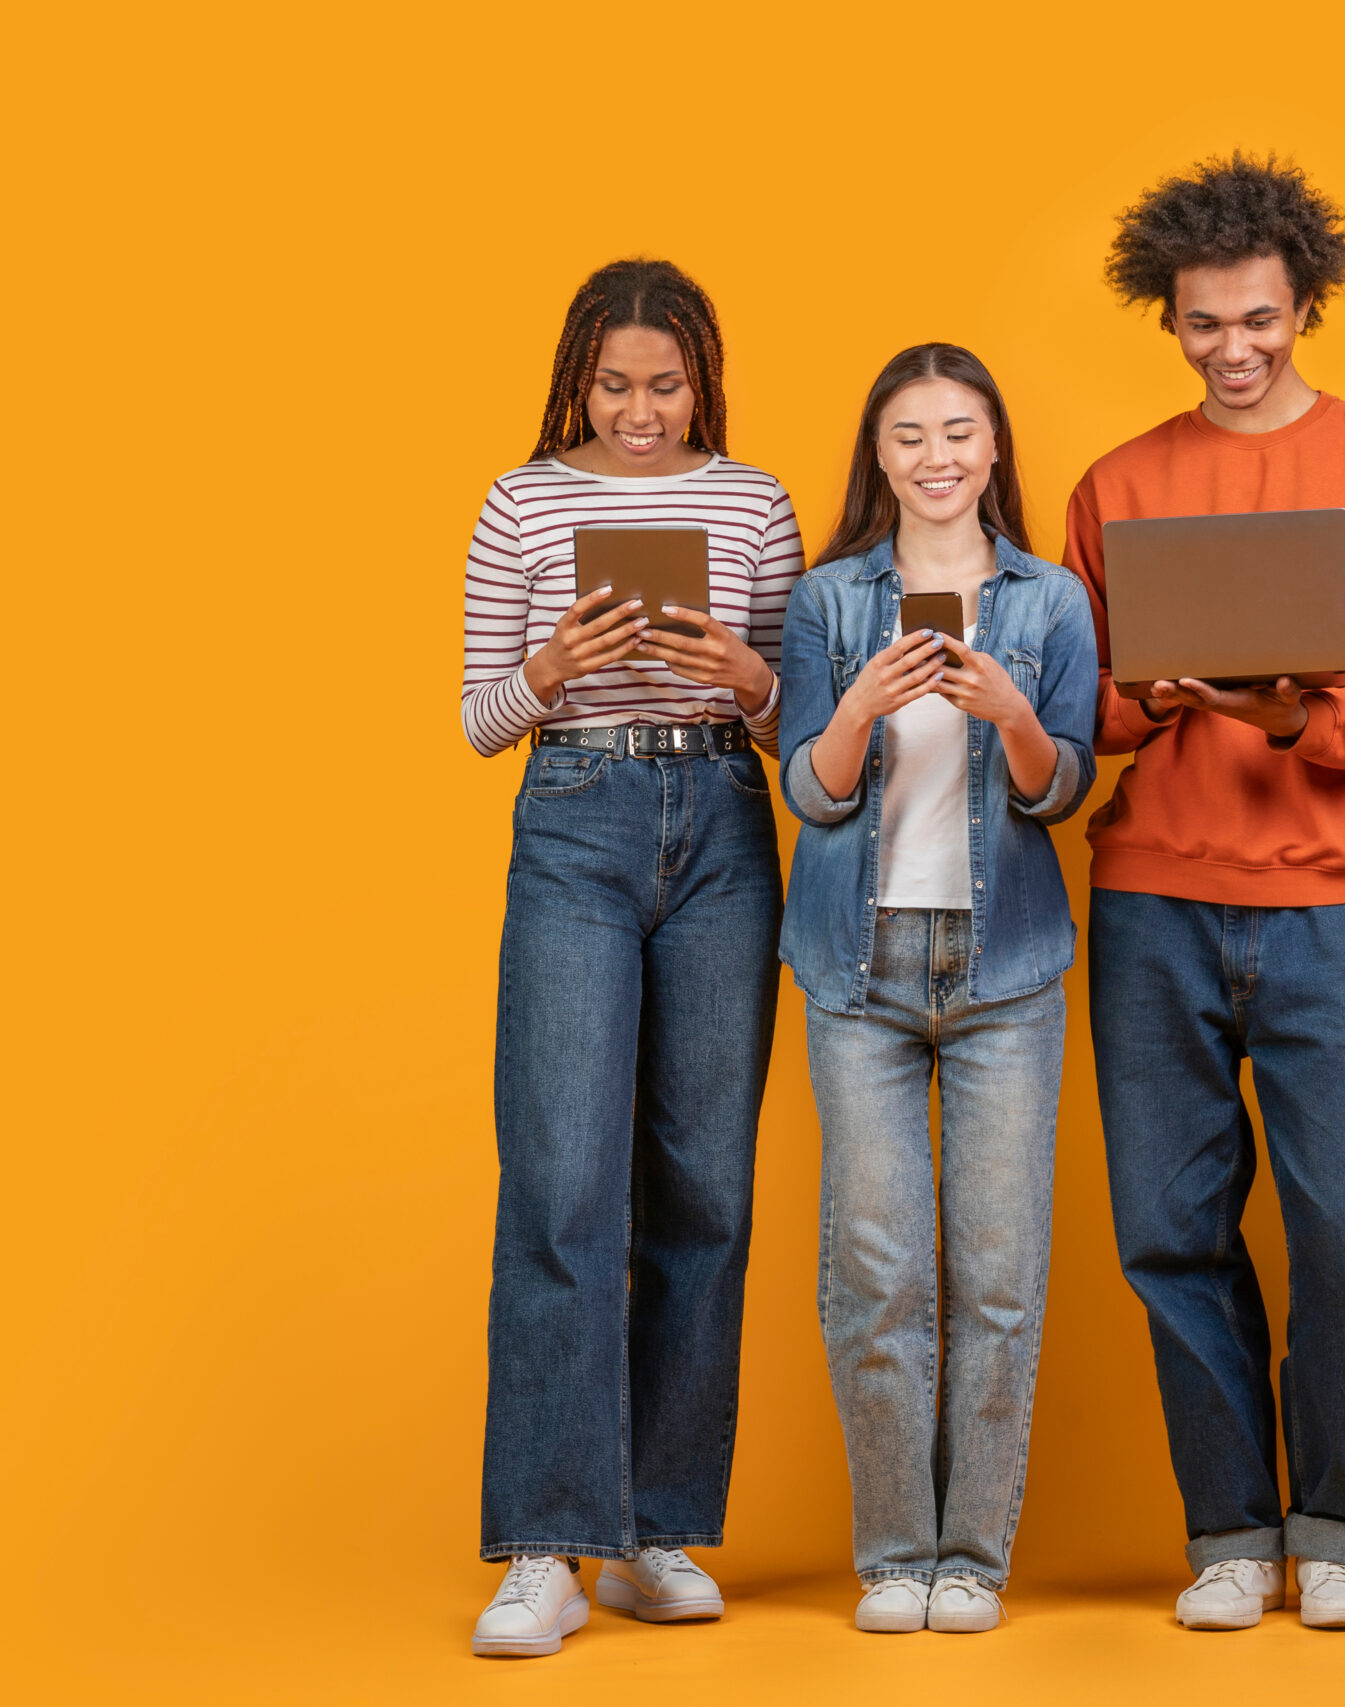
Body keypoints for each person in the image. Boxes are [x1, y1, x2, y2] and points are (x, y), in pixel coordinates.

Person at [1062, 152, 1345, 1631]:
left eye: (1261, 321)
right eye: (1206, 324)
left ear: (1307, 308)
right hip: (1153, 897)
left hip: (1327, 903)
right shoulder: (1118, 484)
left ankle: (1338, 1526)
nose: (1235, 349)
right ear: (1169, 318)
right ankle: (1230, 1526)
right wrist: (1150, 698)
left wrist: (1291, 713)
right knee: (1170, 1228)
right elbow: (1079, 708)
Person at [458, 258, 803, 1658]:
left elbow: (810, 732)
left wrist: (755, 682)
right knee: (559, 1181)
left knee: (704, 1186)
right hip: (578, 814)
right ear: (576, 379)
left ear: (702, 381)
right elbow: (482, 717)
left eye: (667, 385)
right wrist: (550, 667)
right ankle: (548, 1538)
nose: (643, 411)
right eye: (616, 385)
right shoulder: (524, 500)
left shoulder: (757, 500)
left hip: (723, 816)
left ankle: (655, 1528)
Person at [777, 344, 1097, 1636]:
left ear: (995, 446)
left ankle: (971, 1555)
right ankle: (893, 1553)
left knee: (1002, 1274)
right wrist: (859, 704)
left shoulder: (1052, 601)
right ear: (881, 456)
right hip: (857, 969)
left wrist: (1012, 713)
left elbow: (1062, 788)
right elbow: (808, 788)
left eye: (959, 431)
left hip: (1005, 969)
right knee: (875, 1271)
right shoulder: (828, 600)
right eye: (909, 436)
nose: (937, 458)